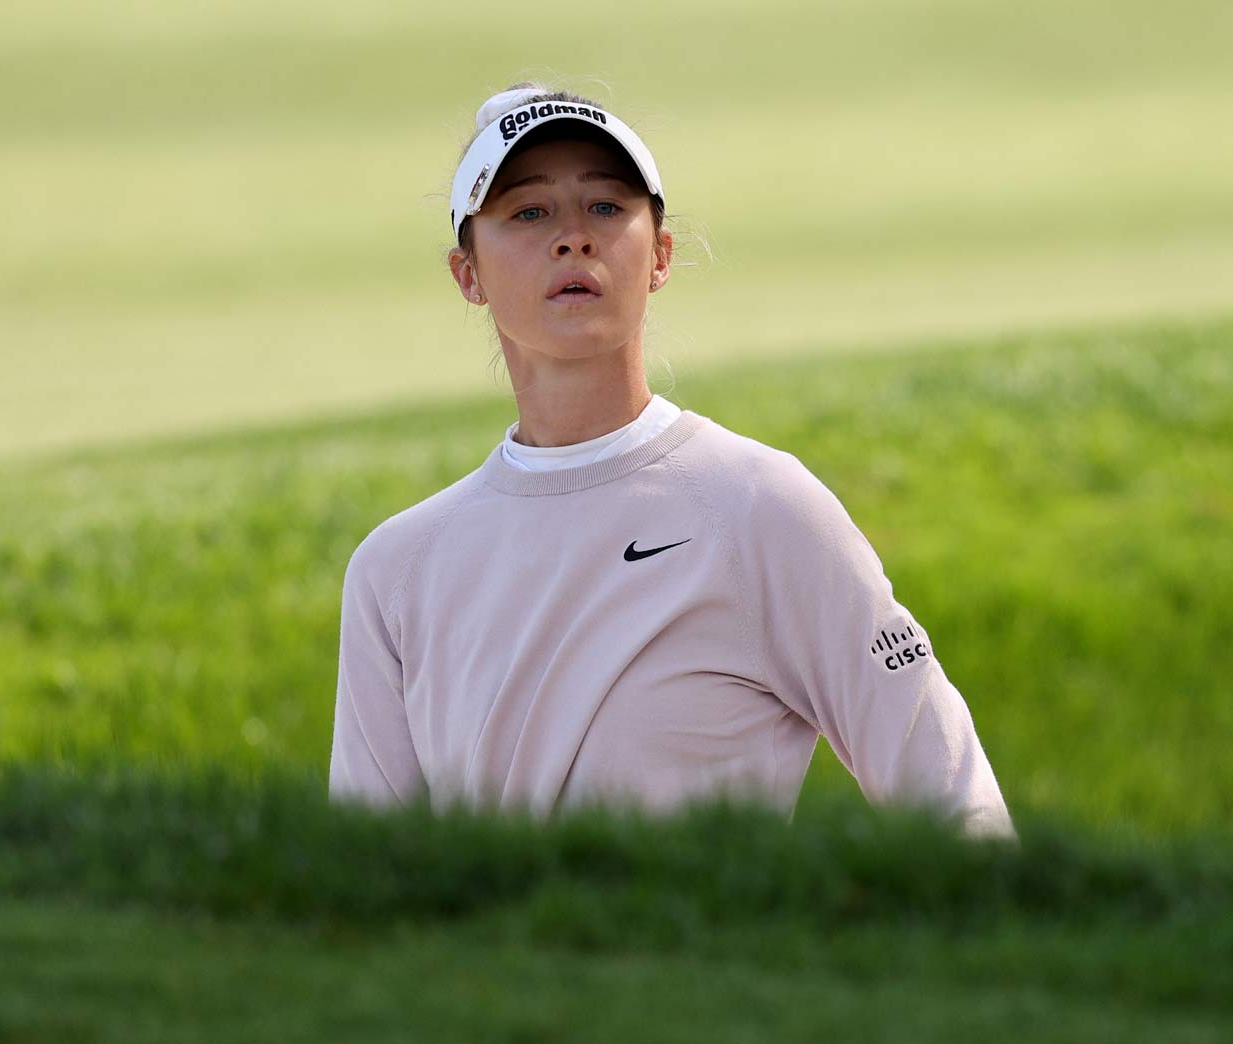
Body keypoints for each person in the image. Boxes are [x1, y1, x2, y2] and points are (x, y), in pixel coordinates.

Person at [329, 82, 1014, 841]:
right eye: (528, 212)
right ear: (468, 274)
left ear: (659, 255)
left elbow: (952, 800)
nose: (573, 237)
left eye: (604, 206)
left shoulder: (760, 508)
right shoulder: (395, 570)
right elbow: (367, 875)